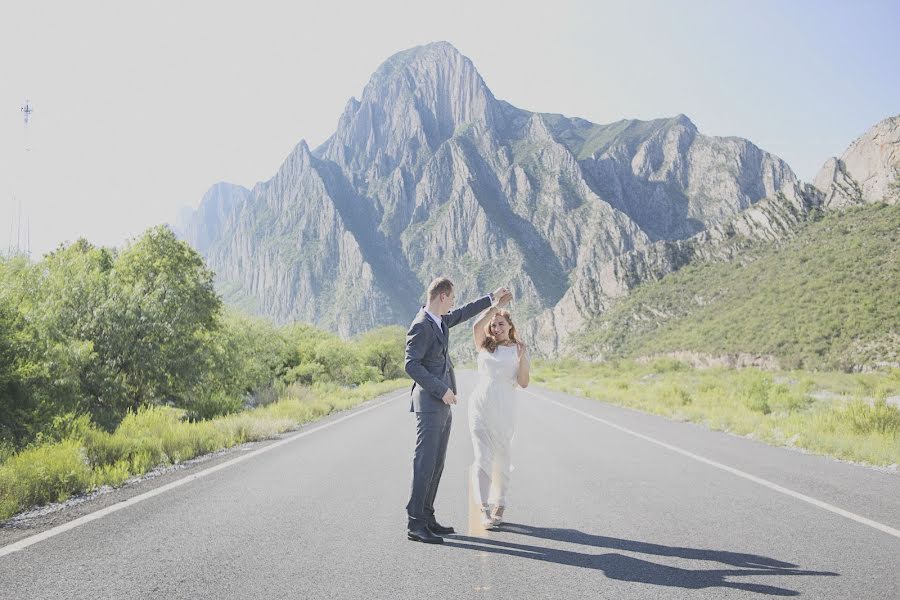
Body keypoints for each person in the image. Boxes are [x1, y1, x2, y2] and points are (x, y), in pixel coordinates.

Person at [404, 277, 510, 544]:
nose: (453, 303)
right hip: (430, 403)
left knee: (436, 464)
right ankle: (416, 524)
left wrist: (491, 298)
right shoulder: (421, 325)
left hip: (443, 403)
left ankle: (428, 517)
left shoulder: (439, 321)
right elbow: (411, 365)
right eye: (451, 298)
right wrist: (441, 389)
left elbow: (464, 313)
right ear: (442, 297)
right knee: (424, 463)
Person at [468, 301, 530, 529]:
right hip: (480, 406)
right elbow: (476, 326)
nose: (496, 328)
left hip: (505, 407)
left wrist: (522, 358)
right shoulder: (484, 344)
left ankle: (499, 504)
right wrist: (495, 307)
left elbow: (523, 383)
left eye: (500, 324)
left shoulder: (519, 349)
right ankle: (484, 509)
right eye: (493, 325)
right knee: (481, 456)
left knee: (502, 457)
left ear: (510, 326)